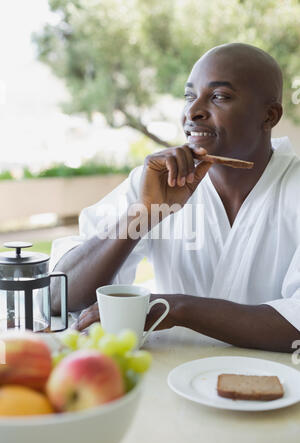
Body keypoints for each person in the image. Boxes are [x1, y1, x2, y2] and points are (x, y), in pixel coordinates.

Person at [50, 43, 300, 352]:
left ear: (269, 115)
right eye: (189, 95)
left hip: (276, 390)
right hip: (167, 384)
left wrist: (176, 308)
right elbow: (60, 295)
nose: (193, 111)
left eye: (219, 96)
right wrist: (143, 214)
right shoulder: (155, 183)